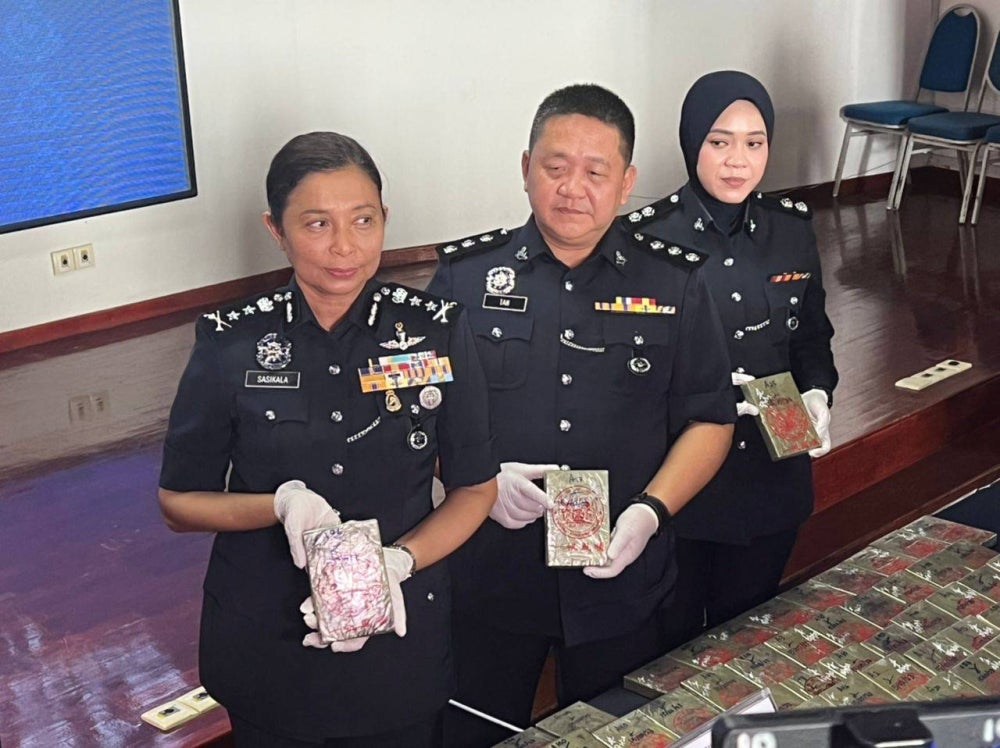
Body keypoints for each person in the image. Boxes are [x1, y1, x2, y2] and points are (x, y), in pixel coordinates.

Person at [157, 131, 498, 747]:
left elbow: (475, 488)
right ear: (276, 228)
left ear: (385, 219)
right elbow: (180, 502)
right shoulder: (230, 343)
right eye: (316, 224)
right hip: (269, 644)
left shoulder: (434, 331)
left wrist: (402, 561)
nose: (344, 247)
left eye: (363, 220)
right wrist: (278, 504)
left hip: (399, 638)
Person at [428, 84, 735, 746]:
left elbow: (711, 419)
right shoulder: (465, 278)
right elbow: (420, 417)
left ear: (626, 183)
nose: (573, 188)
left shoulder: (676, 281)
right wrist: (471, 481)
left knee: (616, 737)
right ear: (525, 168)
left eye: (596, 172)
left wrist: (650, 512)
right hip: (490, 575)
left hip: (622, 578)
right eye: (555, 166)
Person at [627, 71, 839, 647]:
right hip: (683, 482)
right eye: (719, 141)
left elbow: (811, 337)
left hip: (773, 479)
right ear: (692, 141)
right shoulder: (643, 241)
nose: (737, 161)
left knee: (747, 636)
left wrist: (818, 393)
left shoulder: (791, 229)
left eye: (754, 142)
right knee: (670, 643)